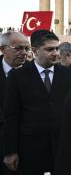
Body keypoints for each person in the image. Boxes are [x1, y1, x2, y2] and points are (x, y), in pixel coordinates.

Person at [3, 30, 71, 175]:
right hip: (30, 150)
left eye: (57, 48)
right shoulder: (17, 76)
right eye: (50, 49)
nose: (56, 53)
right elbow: (11, 116)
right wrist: (10, 151)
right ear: (35, 51)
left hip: (62, 147)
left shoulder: (69, 74)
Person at [0, 31, 30, 175]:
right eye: (18, 48)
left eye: (26, 48)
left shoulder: (35, 72)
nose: (24, 53)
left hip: (27, 149)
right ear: (2, 49)